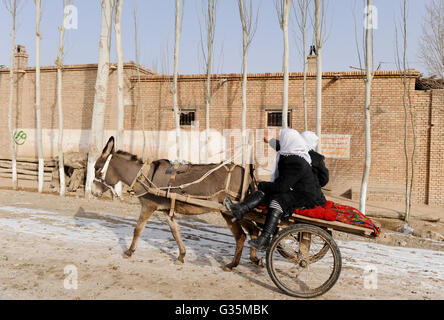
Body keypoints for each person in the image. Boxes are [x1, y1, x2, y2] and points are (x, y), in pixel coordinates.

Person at [224, 128, 320, 251]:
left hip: (304, 197)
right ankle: (240, 210)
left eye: (284, 140)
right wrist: (269, 140)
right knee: (265, 192)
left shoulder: (296, 162)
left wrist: (262, 184)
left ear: (289, 142)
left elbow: (282, 186)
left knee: (277, 201)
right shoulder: (292, 154)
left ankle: (265, 239)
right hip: (296, 191)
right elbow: (279, 146)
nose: (282, 142)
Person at [266, 130, 329, 206]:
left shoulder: (292, 151)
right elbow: (324, 179)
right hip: (317, 196)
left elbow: (282, 145)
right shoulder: (317, 158)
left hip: (304, 197)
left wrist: (270, 140)